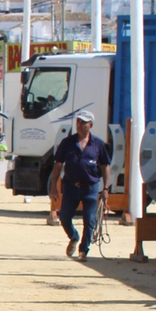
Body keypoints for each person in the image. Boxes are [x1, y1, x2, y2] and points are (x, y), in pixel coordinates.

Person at [48, 109, 112, 261]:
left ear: (90, 125)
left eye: (83, 122)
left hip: (90, 186)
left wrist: (105, 188)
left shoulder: (98, 144)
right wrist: (54, 187)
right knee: (64, 216)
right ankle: (74, 236)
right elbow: (57, 165)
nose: (80, 125)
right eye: (78, 122)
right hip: (70, 186)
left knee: (89, 220)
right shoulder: (67, 143)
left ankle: (84, 250)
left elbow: (105, 166)